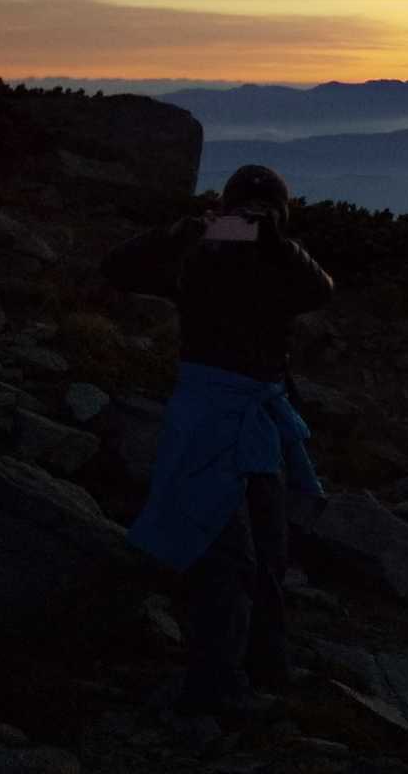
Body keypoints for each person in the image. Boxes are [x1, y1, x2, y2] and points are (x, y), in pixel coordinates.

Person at [104, 164, 333, 718]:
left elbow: (319, 289)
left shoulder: (272, 263)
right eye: (245, 213)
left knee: (266, 551)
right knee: (231, 555)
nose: (251, 222)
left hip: (239, 422)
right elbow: (117, 269)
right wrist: (183, 232)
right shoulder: (201, 256)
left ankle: (263, 666)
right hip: (218, 421)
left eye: (261, 213)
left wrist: (272, 243)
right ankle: (216, 687)